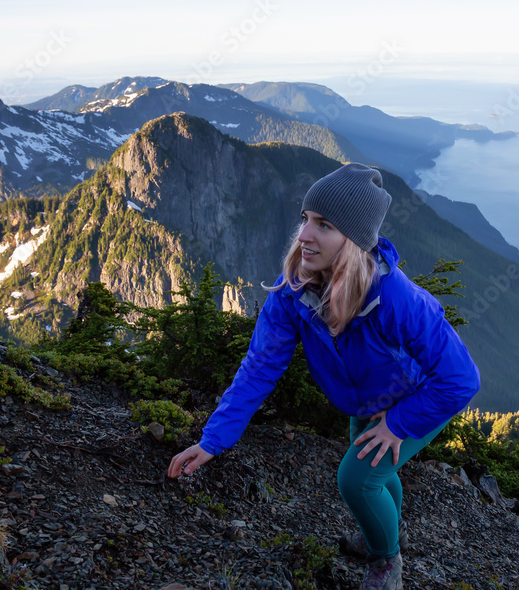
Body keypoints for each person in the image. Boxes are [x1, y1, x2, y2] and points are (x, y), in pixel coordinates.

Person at [168, 162, 481, 590]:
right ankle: (390, 531)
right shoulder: (293, 290)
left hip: (418, 398)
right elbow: (259, 367)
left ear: (352, 240)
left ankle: (386, 561)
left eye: (324, 225)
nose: (304, 235)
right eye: (306, 219)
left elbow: (461, 379)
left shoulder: (396, 299)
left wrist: (397, 424)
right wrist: (212, 440)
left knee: (356, 479)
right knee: (376, 471)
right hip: (365, 400)